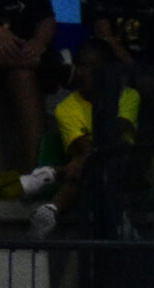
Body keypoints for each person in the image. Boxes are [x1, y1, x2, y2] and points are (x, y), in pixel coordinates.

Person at [26, 38, 140, 240]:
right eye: (82, 66)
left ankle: (53, 198)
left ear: (108, 71)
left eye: (94, 67)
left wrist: (63, 171)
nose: (84, 73)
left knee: (114, 158)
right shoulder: (66, 108)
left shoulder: (129, 96)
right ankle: (120, 218)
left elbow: (115, 133)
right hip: (89, 170)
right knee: (94, 166)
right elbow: (87, 149)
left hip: (127, 166)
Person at [0, 0, 53, 165]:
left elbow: (46, 19)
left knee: (23, 76)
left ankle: (38, 168)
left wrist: (39, 41)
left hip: (21, 55)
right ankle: (52, 64)